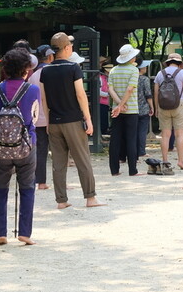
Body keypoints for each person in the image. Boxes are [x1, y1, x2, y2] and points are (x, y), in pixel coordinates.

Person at [39, 32, 104, 208]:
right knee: (83, 159)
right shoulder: (73, 68)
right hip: (73, 120)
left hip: (53, 121)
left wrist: (47, 121)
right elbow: (81, 95)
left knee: (58, 163)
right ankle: (90, 198)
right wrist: (88, 119)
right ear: (67, 48)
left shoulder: (45, 71)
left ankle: (61, 201)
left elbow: (44, 98)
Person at [0, 49, 39, 245]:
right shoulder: (33, 90)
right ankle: (24, 232)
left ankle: (1, 233)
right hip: (26, 145)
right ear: (26, 69)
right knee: (27, 188)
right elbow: (33, 117)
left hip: (0, 146)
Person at [154, 53, 183, 170]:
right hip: (179, 104)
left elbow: (156, 92)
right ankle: (181, 161)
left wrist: (156, 108)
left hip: (163, 106)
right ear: (180, 63)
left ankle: (165, 161)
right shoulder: (182, 73)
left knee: (165, 135)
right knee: (179, 135)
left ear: (168, 62)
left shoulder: (160, 73)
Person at [107, 44, 141, 177]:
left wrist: (118, 105)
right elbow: (130, 89)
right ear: (132, 57)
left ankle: (114, 170)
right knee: (131, 139)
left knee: (115, 139)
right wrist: (122, 104)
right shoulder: (134, 70)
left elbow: (110, 89)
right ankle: (133, 169)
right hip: (131, 109)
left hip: (116, 110)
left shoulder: (113, 70)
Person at [29, 43, 51, 190]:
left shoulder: (32, 77)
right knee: (60, 150)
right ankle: (62, 182)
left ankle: (40, 181)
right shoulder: (52, 72)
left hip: (37, 119)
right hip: (53, 117)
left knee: (40, 150)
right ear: (50, 56)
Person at [136, 60, 153, 159]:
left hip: (132, 108)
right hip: (143, 108)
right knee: (142, 131)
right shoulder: (145, 79)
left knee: (134, 131)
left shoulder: (132, 77)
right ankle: (141, 151)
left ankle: (134, 150)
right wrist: (152, 106)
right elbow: (148, 94)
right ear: (141, 68)